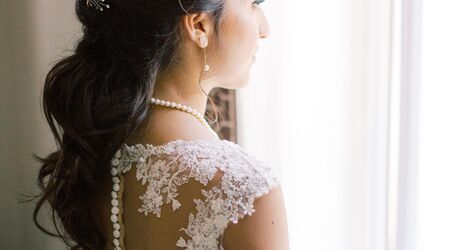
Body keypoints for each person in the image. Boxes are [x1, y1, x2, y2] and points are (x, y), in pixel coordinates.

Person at [32, 0, 289, 249]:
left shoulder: (99, 151)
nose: (264, 29)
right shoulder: (244, 189)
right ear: (199, 26)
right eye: (253, 4)